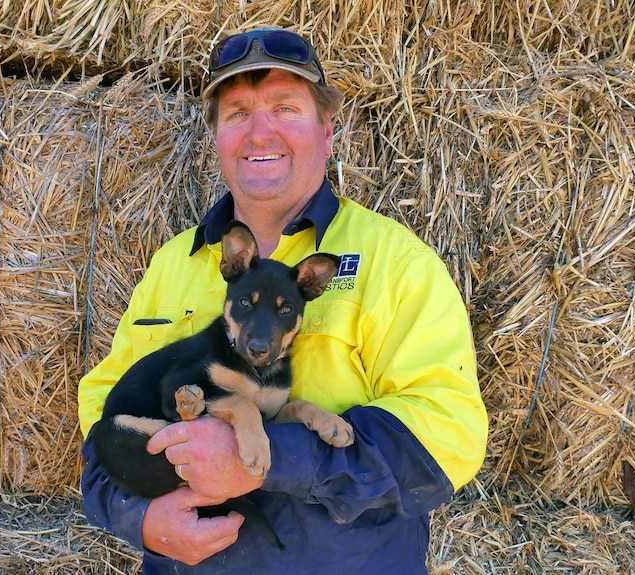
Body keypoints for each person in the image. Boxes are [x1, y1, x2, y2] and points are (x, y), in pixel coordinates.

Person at [78, 26, 488, 574]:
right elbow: (104, 404)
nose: (260, 132)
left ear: (327, 130)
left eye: (286, 107)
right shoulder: (174, 262)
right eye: (238, 113)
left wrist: (269, 458)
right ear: (218, 137)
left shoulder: (396, 262)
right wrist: (137, 516)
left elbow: (448, 435)